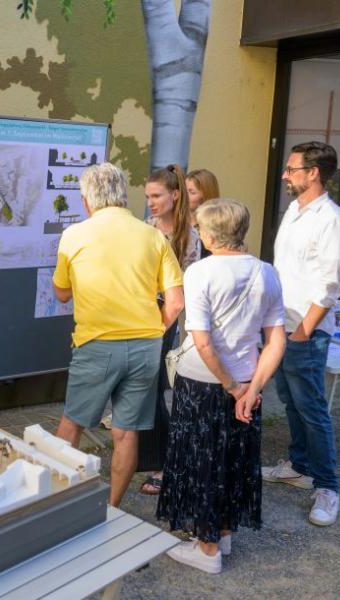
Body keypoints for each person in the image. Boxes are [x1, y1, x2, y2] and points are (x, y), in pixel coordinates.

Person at [157, 199, 286, 574]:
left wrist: (231, 387)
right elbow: (276, 341)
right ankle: (223, 533)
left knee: (202, 461)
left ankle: (208, 548)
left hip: (203, 382)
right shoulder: (267, 272)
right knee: (232, 460)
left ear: (210, 235)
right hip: (248, 381)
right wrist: (251, 387)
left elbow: (202, 341)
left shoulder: (201, 272)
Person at [53, 162, 184, 507]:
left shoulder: (74, 235)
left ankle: (55, 503)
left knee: (72, 425)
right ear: (124, 195)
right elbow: (175, 302)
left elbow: (62, 293)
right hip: (146, 347)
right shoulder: (153, 235)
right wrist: (153, 330)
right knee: (126, 432)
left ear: (86, 200)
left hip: (97, 344)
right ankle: (110, 508)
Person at [263, 141, 340, 527]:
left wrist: (303, 331)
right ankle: (299, 467)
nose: (285, 175)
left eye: (291, 169)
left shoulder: (331, 220)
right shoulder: (295, 212)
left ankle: (328, 487)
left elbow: (330, 285)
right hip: (282, 323)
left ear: (313, 173)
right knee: (290, 399)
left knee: (312, 407)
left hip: (305, 330)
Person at [138, 164, 200, 495]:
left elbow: (184, 294)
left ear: (175, 196)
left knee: (154, 391)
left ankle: (164, 464)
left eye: (156, 195)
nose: (150, 202)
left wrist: (160, 326)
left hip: (164, 322)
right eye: (147, 196)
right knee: (146, 390)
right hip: (138, 317)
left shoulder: (190, 237)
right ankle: (152, 457)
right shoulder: (147, 227)